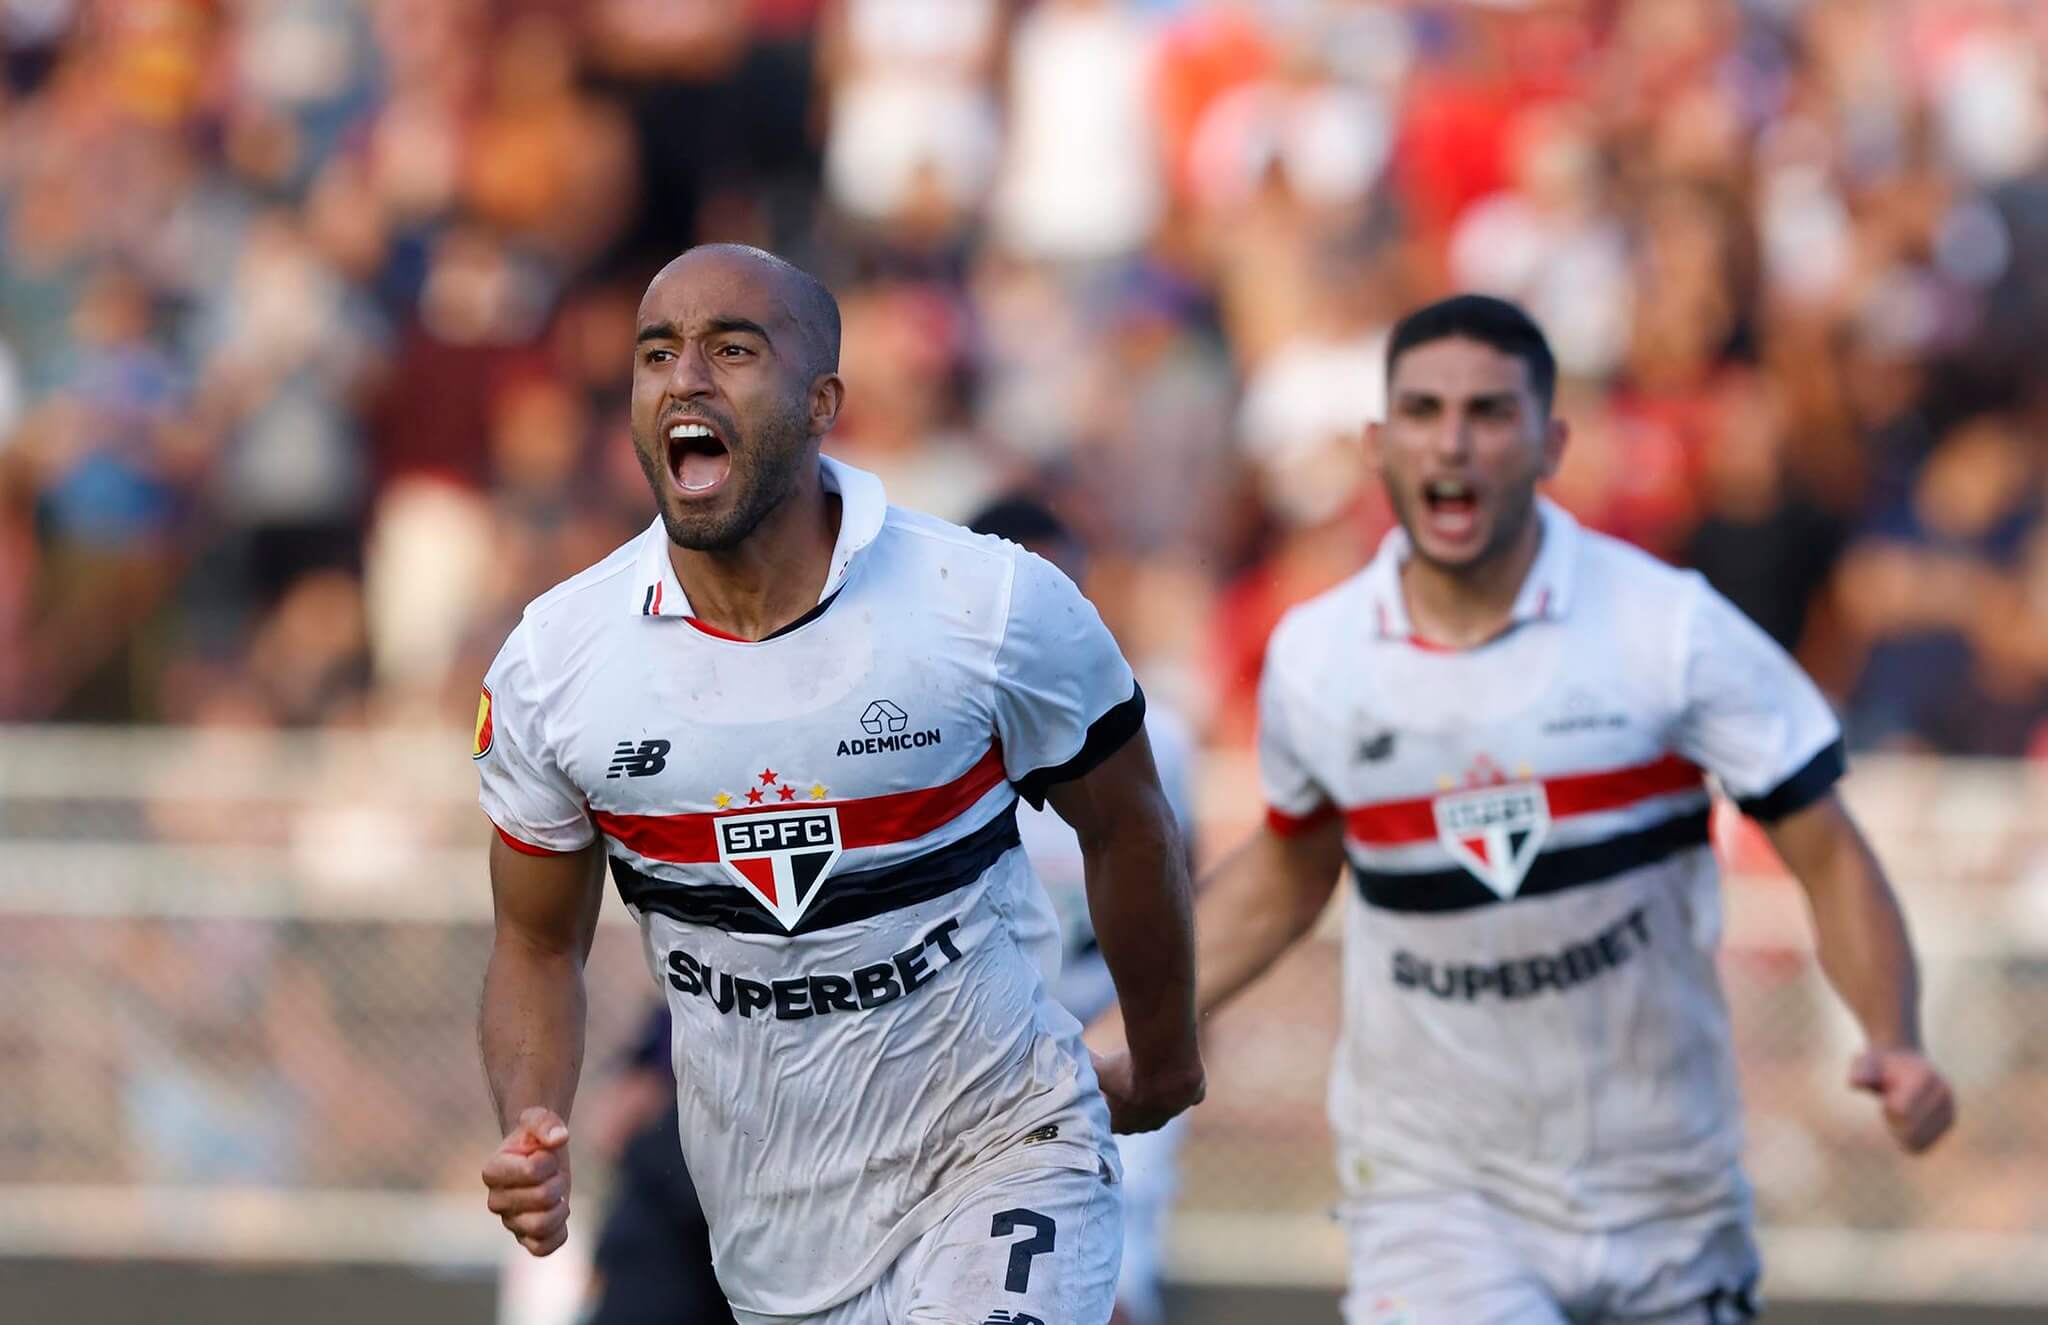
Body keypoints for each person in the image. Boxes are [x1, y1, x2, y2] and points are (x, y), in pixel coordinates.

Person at [1175, 294, 1956, 1324]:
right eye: (1421, 409)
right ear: (1377, 442)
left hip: (1662, 1185)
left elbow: (1825, 847)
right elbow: (1285, 869)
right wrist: (1114, 1034)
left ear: (1550, 442)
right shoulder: (1316, 656)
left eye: (1489, 412)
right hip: (1435, 1192)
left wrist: (1893, 1034)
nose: (1451, 439)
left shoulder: (1667, 627)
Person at [471, 244, 1203, 1325]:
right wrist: (532, 1119)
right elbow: (536, 941)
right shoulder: (555, 663)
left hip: (1003, 1144)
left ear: (822, 402)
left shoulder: (990, 605)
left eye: (732, 348)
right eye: (657, 351)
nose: (685, 377)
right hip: (773, 1219)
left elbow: (1133, 827)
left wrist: (1163, 1053)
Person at [968, 495, 1199, 1325]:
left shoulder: (1154, 737)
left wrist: (1163, 1038)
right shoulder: (933, 746)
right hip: (976, 1063)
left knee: (1112, 1293)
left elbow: (1181, 889)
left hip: (1110, 1051)